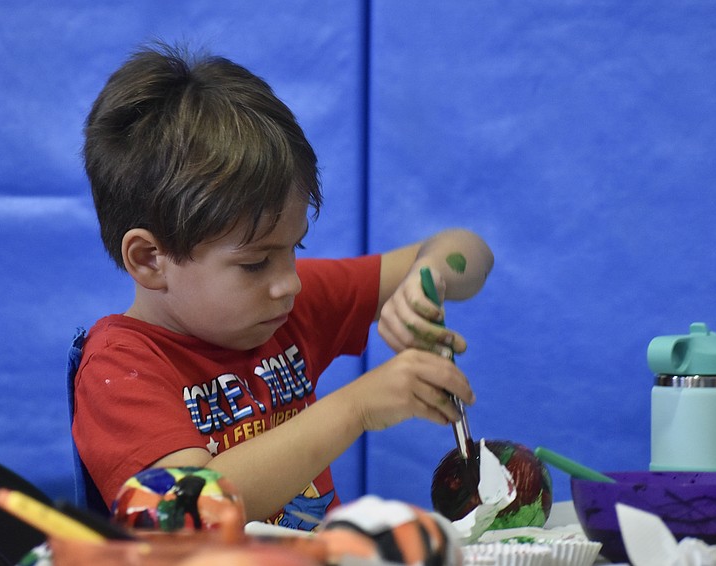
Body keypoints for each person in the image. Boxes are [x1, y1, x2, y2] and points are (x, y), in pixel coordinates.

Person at [73, 41, 494, 530]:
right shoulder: (120, 367)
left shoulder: (285, 304)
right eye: (255, 263)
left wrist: (432, 276)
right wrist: (355, 408)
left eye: (296, 247)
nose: (288, 282)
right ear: (149, 260)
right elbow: (181, 516)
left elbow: (469, 249)